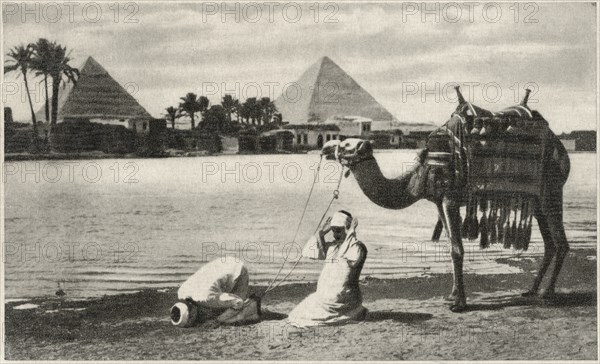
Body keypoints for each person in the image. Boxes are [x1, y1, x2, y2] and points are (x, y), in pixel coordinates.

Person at [287, 210, 368, 327]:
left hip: (343, 299)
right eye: (333, 231)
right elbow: (311, 252)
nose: (335, 234)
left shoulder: (357, 247)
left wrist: (351, 232)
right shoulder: (333, 247)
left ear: (347, 228)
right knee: (296, 314)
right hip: (324, 298)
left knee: (305, 317)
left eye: (339, 230)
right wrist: (321, 233)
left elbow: (353, 259)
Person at [170, 259, 260, 327]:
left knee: (230, 317)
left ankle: (253, 303)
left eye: (192, 320)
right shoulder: (181, 292)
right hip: (222, 263)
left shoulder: (207, 298)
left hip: (238, 269)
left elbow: (238, 302)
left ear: (192, 314)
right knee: (221, 308)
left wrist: (217, 320)